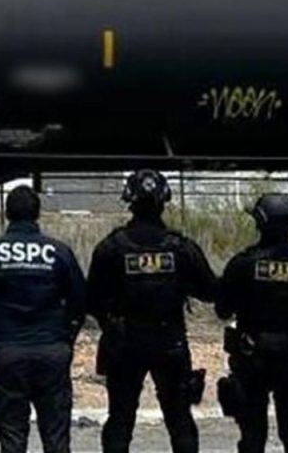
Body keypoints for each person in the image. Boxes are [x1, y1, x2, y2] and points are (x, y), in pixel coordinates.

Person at [87, 170, 217, 453]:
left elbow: (92, 299)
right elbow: (211, 291)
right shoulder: (181, 247)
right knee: (180, 420)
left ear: (129, 201)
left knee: (120, 420)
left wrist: (110, 322)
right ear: (164, 201)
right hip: (169, 341)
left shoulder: (111, 247)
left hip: (125, 342)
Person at [0, 185, 86, 453]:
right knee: (56, 436)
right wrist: (66, 338)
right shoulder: (58, 251)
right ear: (37, 213)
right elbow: (79, 299)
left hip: (8, 351)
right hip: (51, 350)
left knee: (11, 434)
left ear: (7, 213)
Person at [216, 194, 288, 453]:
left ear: (259, 222)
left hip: (252, 358)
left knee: (253, 437)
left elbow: (223, 310)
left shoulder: (243, 264)